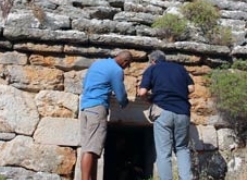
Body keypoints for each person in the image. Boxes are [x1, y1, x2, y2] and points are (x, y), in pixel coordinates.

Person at [138, 50, 195, 180]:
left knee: (164, 152)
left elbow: (142, 92)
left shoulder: (152, 69)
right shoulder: (179, 68)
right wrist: (178, 94)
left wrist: (149, 99)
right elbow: (192, 88)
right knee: (182, 148)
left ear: (152, 61)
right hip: (183, 112)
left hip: (163, 110)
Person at [79, 50, 131, 180]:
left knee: (87, 148)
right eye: (128, 65)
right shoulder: (116, 70)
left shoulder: (97, 64)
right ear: (125, 61)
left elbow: (85, 84)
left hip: (85, 107)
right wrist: (124, 103)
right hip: (97, 108)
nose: (126, 68)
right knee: (92, 148)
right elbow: (120, 94)